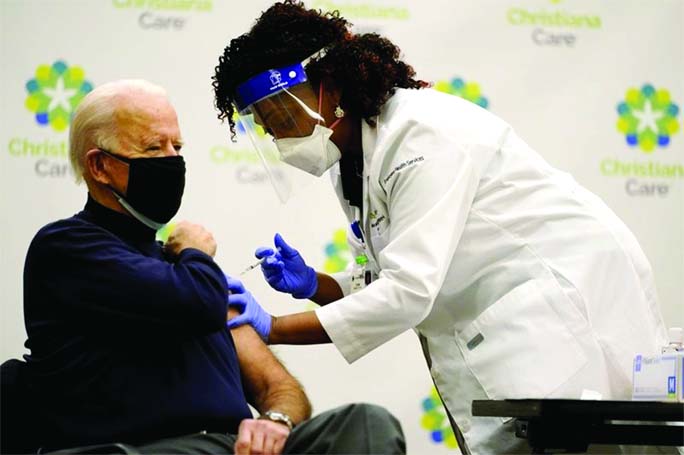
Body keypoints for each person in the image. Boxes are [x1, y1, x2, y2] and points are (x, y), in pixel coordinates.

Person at [212, 2, 670, 454]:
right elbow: (388, 279)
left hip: (559, 308)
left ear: (330, 87)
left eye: (284, 117)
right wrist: (317, 284)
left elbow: (409, 291)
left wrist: (272, 327)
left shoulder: (420, 134)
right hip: (505, 322)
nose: (281, 137)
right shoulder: (353, 159)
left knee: (586, 446)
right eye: (269, 128)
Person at [21, 79, 405, 454]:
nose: (173, 160)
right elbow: (196, 301)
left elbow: (279, 388)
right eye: (155, 147)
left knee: (366, 423)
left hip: (233, 446)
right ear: (100, 166)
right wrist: (198, 255)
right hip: (144, 447)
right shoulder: (69, 248)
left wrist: (274, 422)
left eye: (178, 146)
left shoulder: (186, 270)